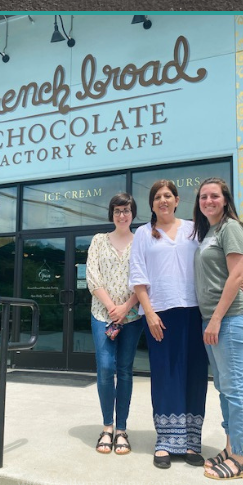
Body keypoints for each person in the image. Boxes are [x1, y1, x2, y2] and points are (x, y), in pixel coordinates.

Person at [129, 180, 209, 469]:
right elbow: (138, 276)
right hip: (160, 313)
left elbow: (212, 261)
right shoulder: (143, 234)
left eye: (167, 196)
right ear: (152, 204)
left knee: (195, 374)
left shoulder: (193, 229)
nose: (163, 200)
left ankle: (190, 443)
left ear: (177, 200)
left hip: (195, 311)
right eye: (157, 197)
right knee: (165, 374)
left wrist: (232, 281)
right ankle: (164, 441)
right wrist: (148, 313)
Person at [192, 177, 243, 480]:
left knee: (235, 390)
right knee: (224, 389)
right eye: (203, 197)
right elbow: (225, 274)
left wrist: (216, 318)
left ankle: (241, 458)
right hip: (214, 319)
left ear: (225, 199)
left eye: (214, 196)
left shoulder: (231, 227)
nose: (208, 201)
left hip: (228, 320)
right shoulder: (211, 232)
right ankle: (231, 448)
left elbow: (237, 274)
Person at [86, 192, 142, 455]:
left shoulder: (140, 240)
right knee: (106, 369)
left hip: (132, 316)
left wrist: (126, 307)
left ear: (133, 214)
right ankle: (107, 427)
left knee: (126, 370)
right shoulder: (98, 241)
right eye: (118, 210)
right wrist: (111, 308)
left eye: (127, 210)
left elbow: (145, 278)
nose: (122, 215)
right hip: (102, 314)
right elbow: (92, 277)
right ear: (112, 214)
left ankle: (121, 430)